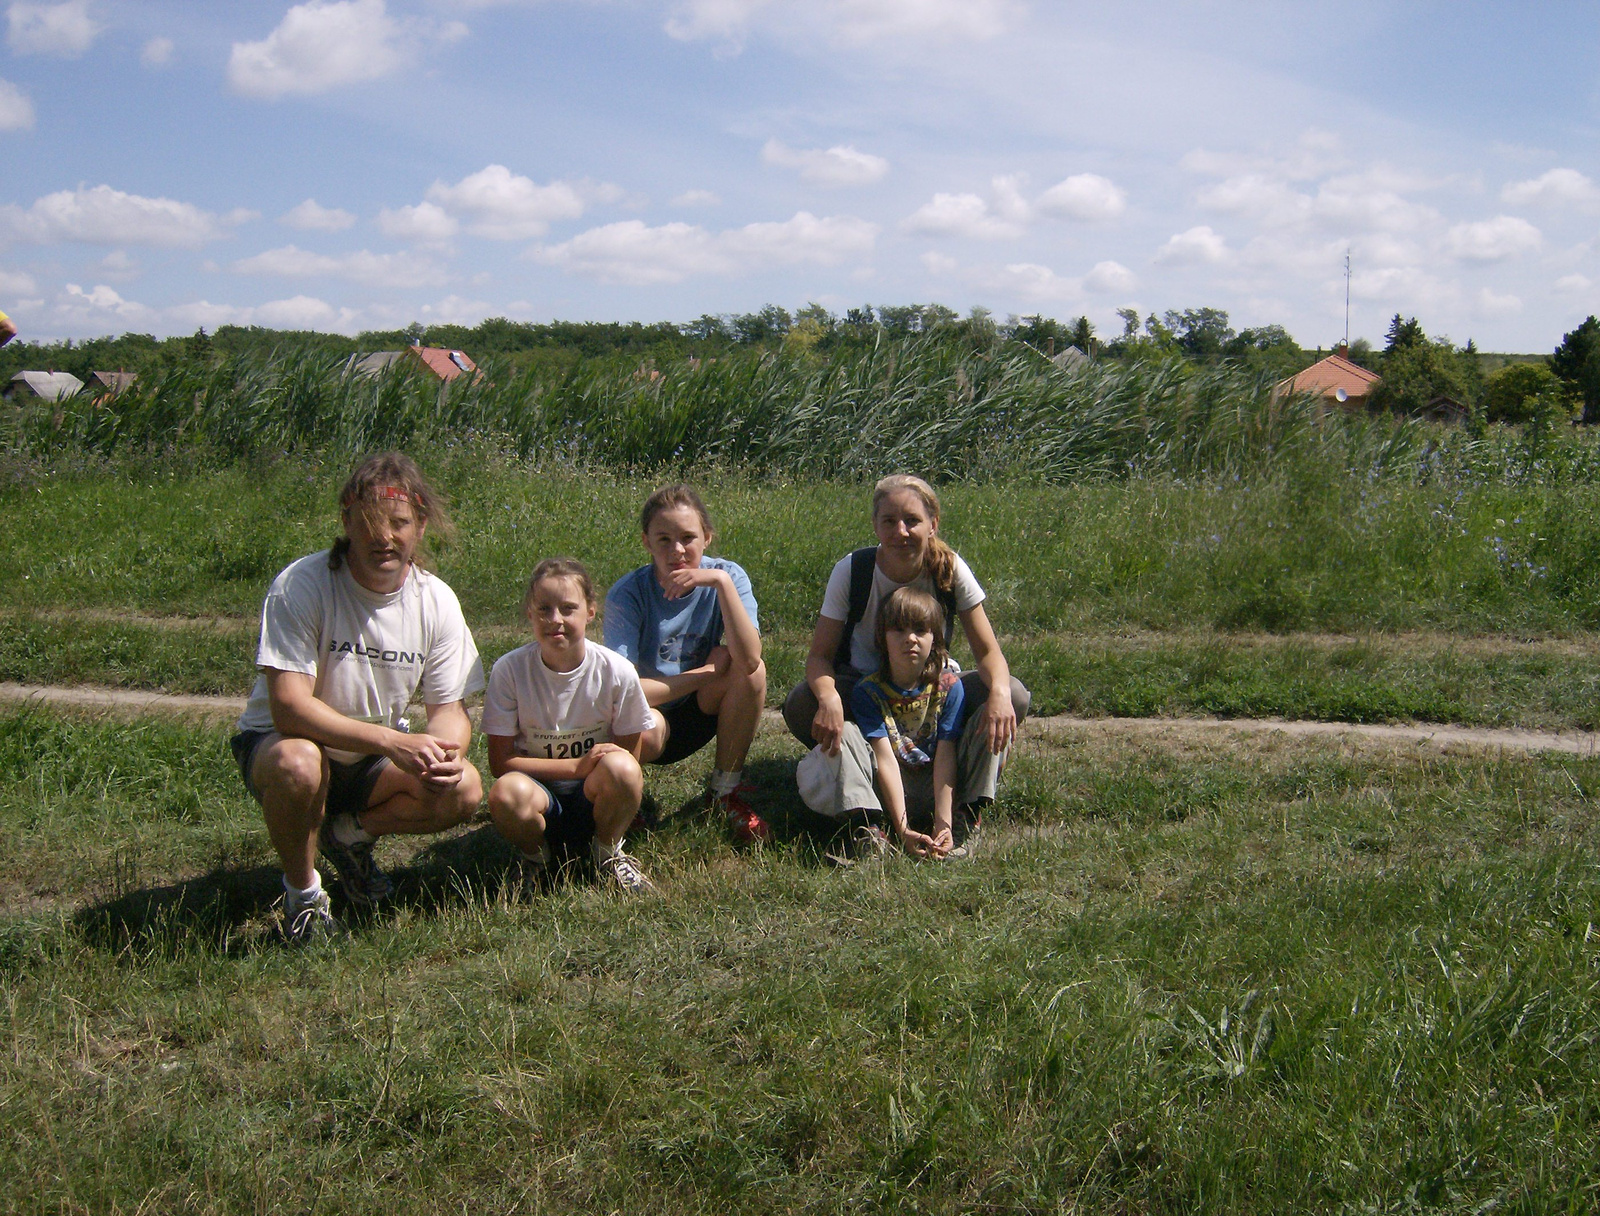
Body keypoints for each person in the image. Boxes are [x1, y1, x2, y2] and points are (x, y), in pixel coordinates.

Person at [230, 452, 485, 943]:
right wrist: (391, 742)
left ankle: (348, 836)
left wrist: (444, 754)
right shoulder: (301, 585)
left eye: (399, 522)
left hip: (369, 758)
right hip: (284, 743)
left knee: (465, 789)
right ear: (345, 520)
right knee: (300, 764)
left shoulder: (436, 600)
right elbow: (288, 705)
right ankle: (304, 897)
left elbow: (449, 710)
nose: (383, 537)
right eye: (368, 521)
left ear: (421, 526)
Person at [783, 473, 1029, 849]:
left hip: (932, 687)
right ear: (875, 525)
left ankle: (965, 810)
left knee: (1013, 694)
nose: (901, 531)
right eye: (889, 521)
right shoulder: (853, 570)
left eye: (912, 520)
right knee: (804, 702)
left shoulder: (949, 569)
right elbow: (819, 655)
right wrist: (830, 697)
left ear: (933, 524)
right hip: (866, 689)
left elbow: (989, 652)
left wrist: (996, 692)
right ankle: (863, 803)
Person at [603, 484, 769, 843]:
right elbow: (624, 690)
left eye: (688, 538)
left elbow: (750, 659)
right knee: (638, 721)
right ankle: (624, 802)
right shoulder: (628, 594)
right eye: (663, 539)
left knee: (751, 673)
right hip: (648, 718)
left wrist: (721, 584)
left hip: (700, 709)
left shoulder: (728, 576)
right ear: (646, 542)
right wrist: (705, 673)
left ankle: (724, 794)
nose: (677, 551)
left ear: (707, 538)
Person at [484, 558, 656, 892]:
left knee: (623, 770)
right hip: (539, 795)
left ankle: (607, 851)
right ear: (530, 614)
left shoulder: (616, 671)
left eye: (568, 608)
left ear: (590, 612)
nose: (555, 620)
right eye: (544, 609)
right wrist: (576, 766)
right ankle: (535, 856)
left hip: (593, 796)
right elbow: (498, 762)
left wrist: (590, 772)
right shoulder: (510, 670)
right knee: (505, 793)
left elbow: (629, 757)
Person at [823, 587, 970, 859]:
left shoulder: (950, 687)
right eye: (898, 630)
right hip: (889, 787)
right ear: (882, 638)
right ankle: (869, 829)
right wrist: (903, 828)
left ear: (935, 640)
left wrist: (942, 821)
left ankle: (962, 821)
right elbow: (884, 758)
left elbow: (947, 754)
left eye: (920, 631)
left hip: (935, 782)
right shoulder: (868, 691)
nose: (910, 639)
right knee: (846, 735)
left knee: (988, 720)